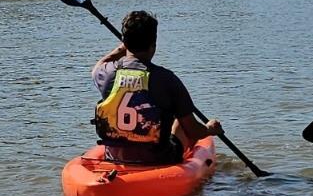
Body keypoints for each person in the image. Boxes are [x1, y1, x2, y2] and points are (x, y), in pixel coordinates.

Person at [92, 10, 223, 165]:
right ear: (153, 45)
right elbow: (193, 131)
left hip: (115, 157)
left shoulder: (106, 73)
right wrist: (209, 130)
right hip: (158, 159)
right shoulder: (167, 79)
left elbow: (99, 66)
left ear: (125, 43)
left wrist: (122, 48)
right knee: (180, 121)